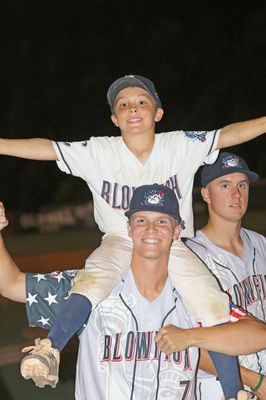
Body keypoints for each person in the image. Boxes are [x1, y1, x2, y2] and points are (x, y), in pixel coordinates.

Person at [0, 74, 266, 387]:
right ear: (114, 118)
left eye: (142, 101)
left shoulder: (179, 145)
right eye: (123, 104)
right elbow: (49, 149)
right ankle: (51, 347)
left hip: (171, 243)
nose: (133, 108)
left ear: (158, 113)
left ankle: (234, 391)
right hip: (119, 240)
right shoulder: (98, 151)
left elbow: (226, 135)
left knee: (211, 302)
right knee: (93, 279)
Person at [0, 184, 264, 399]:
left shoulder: (194, 294)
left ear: (176, 231)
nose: (151, 229)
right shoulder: (91, 290)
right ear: (128, 229)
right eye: (141, 220)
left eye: (162, 221)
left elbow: (257, 334)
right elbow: (11, 284)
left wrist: (193, 337)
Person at [184, 152, 266, 399]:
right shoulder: (190, 257)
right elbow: (188, 342)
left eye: (242, 185)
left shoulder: (261, 244)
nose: (236, 194)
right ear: (206, 194)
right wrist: (253, 381)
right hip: (221, 386)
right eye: (225, 185)